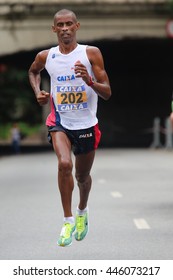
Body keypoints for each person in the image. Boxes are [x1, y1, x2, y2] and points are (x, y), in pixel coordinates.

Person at [28, 9, 111, 247]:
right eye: (60, 25)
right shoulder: (47, 56)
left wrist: (89, 81)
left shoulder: (91, 54)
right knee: (64, 164)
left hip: (86, 124)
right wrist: (38, 93)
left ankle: (82, 211)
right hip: (60, 122)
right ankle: (67, 220)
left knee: (82, 176)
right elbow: (33, 71)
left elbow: (107, 93)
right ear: (54, 29)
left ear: (77, 26)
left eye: (69, 24)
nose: (65, 28)